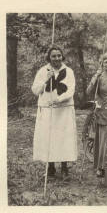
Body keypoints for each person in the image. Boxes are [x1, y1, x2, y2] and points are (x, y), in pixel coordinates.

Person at [31, 45, 78, 180]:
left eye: (59, 55)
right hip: (47, 110)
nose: (57, 58)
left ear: (62, 56)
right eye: (53, 56)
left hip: (64, 109)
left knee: (64, 137)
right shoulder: (42, 71)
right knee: (49, 137)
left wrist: (59, 99)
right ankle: (50, 166)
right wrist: (47, 79)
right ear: (49, 58)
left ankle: (64, 167)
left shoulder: (69, 71)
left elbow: (71, 90)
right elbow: (35, 90)